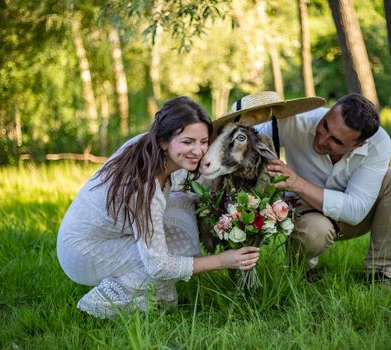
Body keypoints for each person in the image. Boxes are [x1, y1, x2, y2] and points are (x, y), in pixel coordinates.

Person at [56, 96, 260, 319]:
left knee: (183, 207)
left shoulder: (153, 149)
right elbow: (159, 266)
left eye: (203, 141)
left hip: (104, 234)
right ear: (164, 141)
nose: (199, 151)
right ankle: (106, 299)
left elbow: (194, 187)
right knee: (168, 268)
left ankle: (140, 285)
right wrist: (223, 260)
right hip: (84, 251)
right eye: (188, 141)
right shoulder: (144, 186)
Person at [215, 91, 391, 287]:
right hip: (306, 214)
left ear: (358, 144)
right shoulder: (297, 121)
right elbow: (242, 140)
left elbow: (355, 211)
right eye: (325, 125)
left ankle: (379, 274)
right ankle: (301, 270)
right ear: (328, 112)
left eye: (336, 141)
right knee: (314, 232)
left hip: (356, 217)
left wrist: (297, 183)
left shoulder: (378, 144)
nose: (322, 139)